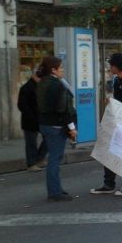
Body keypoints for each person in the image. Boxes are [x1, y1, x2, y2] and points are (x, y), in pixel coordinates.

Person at [91, 53, 122, 196]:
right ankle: (108, 184)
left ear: (116, 66)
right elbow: (119, 101)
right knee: (109, 151)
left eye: (111, 65)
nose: (109, 68)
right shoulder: (116, 80)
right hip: (117, 122)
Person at [36, 56, 76, 202]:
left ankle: (56, 188)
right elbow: (63, 109)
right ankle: (54, 192)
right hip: (56, 126)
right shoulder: (57, 86)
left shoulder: (42, 83)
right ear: (53, 70)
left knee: (54, 157)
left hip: (45, 124)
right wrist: (71, 128)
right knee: (55, 159)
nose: (63, 70)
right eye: (61, 67)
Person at [18, 68, 47, 172]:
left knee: (48, 138)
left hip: (41, 119)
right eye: (39, 77)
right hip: (30, 120)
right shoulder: (26, 88)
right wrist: (32, 116)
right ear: (34, 75)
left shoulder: (40, 87)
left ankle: (39, 158)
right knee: (31, 143)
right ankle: (31, 163)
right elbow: (22, 105)